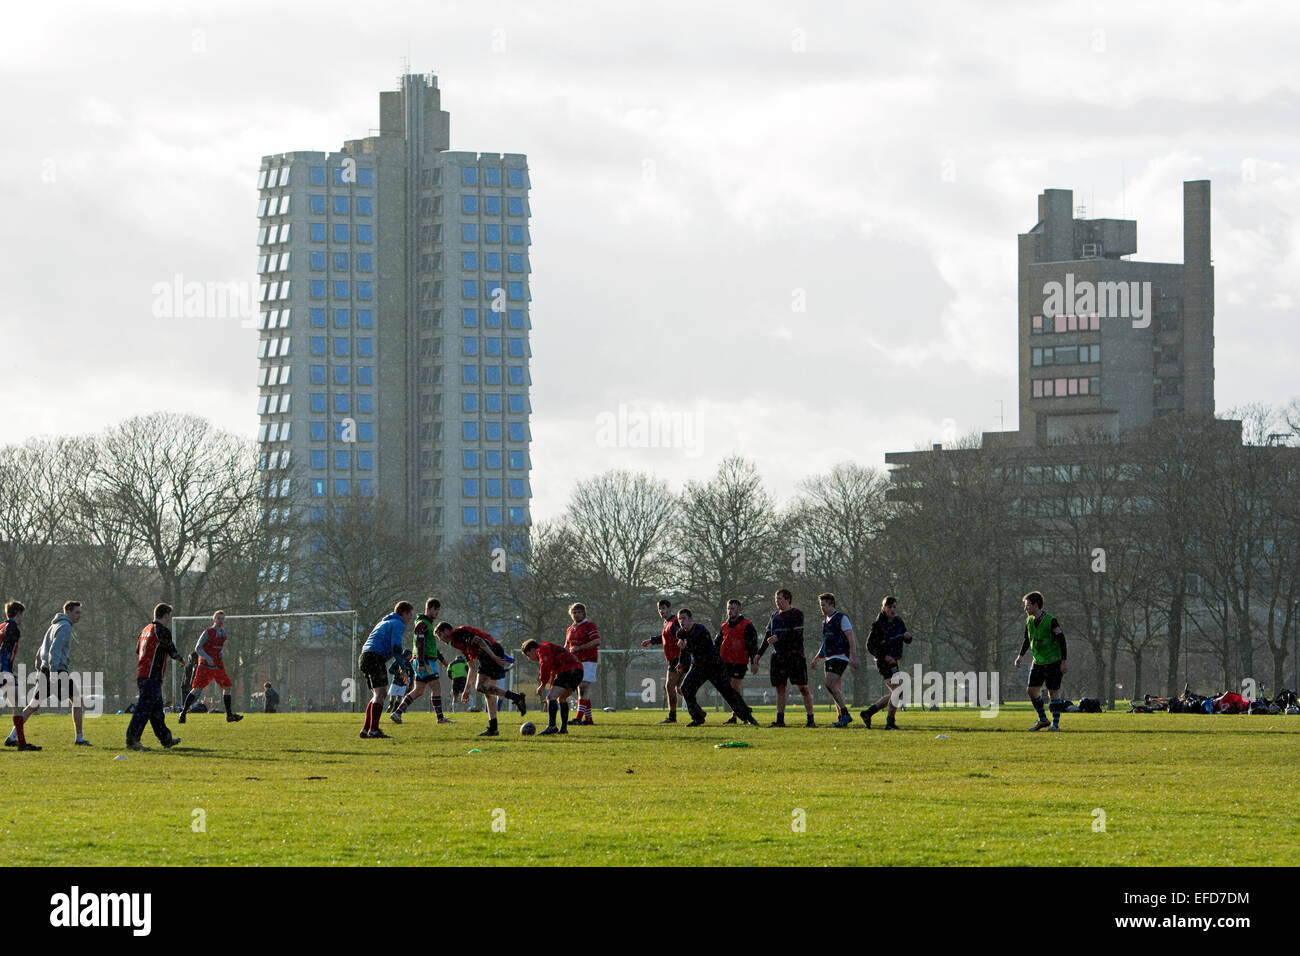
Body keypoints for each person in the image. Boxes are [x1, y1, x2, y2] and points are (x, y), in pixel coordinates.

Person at [434, 621, 527, 737]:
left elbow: (479, 640)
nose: (441, 640)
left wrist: (494, 657)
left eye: (440, 636)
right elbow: (472, 667)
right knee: (487, 691)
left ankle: (516, 697)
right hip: (487, 655)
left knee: (481, 687)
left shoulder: (457, 633)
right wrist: (466, 689)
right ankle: (493, 728)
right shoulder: (456, 643)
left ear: (446, 630)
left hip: (491, 651)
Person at [675, 608, 759, 728]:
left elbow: (700, 651)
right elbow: (684, 651)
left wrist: (686, 648)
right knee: (685, 688)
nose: (681, 621)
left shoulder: (701, 630)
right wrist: (682, 663)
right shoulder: (680, 633)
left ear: (691, 619)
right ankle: (698, 717)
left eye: (684, 618)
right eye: (679, 619)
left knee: (727, 692)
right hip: (698, 666)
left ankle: (747, 716)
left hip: (714, 665)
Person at [126, 603, 185, 751]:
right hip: (152, 675)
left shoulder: (146, 629)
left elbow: (137, 650)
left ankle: (166, 739)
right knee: (144, 709)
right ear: (165, 615)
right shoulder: (161, 630)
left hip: (142, 673)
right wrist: (180, 659)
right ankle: (132, 739)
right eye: (168, 617)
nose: (169, 620)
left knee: (156, 711)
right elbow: (170, 648)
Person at [754, 589, 815, 727]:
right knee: (780, 688)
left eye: (780, 598)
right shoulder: (774, 616)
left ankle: (810, 719)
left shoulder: (796, 614)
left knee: (803, 688)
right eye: (776, 598)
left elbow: (797, 634)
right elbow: (768, 636)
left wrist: (779, 637)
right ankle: (780, 720)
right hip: (779, 657)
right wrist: (759, 654)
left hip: (795, 656)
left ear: (788, 599)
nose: (777, 601)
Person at [1014, 591, 1069, 731]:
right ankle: (1043, 720)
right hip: (1037, 662)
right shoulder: (1029, 621)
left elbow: (1062, 640)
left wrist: (1063, 661)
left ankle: (1055, 725)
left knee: (1053, 693)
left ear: (1035, 605)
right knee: (1031, 691)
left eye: (1027, 605)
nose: (1025, 609)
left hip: (1053, 662)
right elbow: (1027, 640)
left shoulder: (1051, 620)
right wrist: (1020, 656)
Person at [391, 598, 453, 724]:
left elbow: (430, 646)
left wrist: (441, 659)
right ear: (428, 609)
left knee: (418, 690)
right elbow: (420, 643)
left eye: (438, 610)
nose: (437, 613)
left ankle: (397, 713)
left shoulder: (427, 624)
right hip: (425, 661)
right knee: (436, 687)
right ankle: (440, 718)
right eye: (435, 610)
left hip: (423, 660)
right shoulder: (423, 624)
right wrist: (420, 663)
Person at [358, 602, 413, 739]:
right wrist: (403, 667)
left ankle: (366, 729)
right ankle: (374, 730)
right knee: (381, 693)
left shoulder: (384, 622)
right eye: (409, 614)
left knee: (377, 694)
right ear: (402, 613)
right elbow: (396, 646)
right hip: (375, 657)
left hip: (365, 656)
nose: (410, 618)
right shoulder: (397, 623)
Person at [178, 610, 244, 725]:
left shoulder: (223, 633)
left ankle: (229, 715)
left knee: (227, 687)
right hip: (205, 666)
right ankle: (183, 712)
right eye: (218, 618)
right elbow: (198, 648)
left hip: (218, 665)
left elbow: (218, 648)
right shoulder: (208, 632)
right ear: (214, 620)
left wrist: (220, 653)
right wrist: (208, 658)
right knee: (197, 688)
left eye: (222, 619)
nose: (220, 621)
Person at [861, 596, 912, 729]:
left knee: (897, 692)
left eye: (894, 607)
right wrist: (884, 656)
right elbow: (870, 646)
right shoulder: (878, 625)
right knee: (897, 691)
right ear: (884, 608)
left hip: (894, 661)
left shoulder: (899, 621)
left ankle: (869, 713)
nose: (892, 610)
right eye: (889, 607)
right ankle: (889, 722)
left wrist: (908, 636)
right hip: (884, 663)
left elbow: (906, 637)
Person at [811, 593, 859, 728]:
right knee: (835, 688)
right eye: (821, 605)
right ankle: (841, 717)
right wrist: (816, 658)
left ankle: (845, 713)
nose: (822, 608)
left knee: (829, 684)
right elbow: (825, 643)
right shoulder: (824, 622)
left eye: (824, 605)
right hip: (829, 657)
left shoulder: (841, 618)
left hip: (840, 656)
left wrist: (854, 656)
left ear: (831, 604)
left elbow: (850, 638)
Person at [521, 638, 583, 736]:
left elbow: (545, 665)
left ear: (532, 650)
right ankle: (563, 729)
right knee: (561, 698)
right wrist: (550, 697)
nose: (530, 658)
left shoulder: (542, 649)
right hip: (578, 671)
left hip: (568, 670)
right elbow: (554, 675)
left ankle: (552, 727)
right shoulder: (548, 649)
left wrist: (542, 685)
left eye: (528, 655)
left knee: (553, 697)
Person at [1, 600, 39, 751]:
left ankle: (19, 742)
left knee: (18, 705)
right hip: (4, 671)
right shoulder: (13, 628)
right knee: (18, 706)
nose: (23, 618)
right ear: (18, 614)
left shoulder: (2, 626)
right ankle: (21, 744)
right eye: (22, 615)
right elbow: (4, 651)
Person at [641, 598, 685, 723]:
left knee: (670, 686)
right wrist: (651, 640)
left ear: (669, 608)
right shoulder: (667, 623)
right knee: (680, 689)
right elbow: (664, 636)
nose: (661, 611)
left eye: (663, 608)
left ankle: (673, 716)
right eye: (659, 609)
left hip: (677, 659)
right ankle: (695, 709)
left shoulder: (674, 622)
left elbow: (680, 634)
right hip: (673, 659)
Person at [715, 599, 759, 724]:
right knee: (728, 689)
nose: (730, 611)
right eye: (728, 608)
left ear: (739, 610)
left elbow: (752, 645)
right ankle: (737, 714)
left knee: (735, 687)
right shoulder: (724, 626)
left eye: (733, 608)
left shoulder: (747, 625)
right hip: (725, 662)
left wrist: (754, 662)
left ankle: (739, 715)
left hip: (739, 661)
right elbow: (716, 643)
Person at [564, 603, 600, 725]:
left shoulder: (589, 625)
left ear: (583, 613)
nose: (576, 614)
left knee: (584, 687)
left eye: (579, 612)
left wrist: (580, 648)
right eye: (574, 612)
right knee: (580, 689)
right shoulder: (570, 629)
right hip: (575, 662)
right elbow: (567, 646)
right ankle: (588, 719)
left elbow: (596, 641)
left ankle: (578, 718)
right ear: (571, 614)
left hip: (588, 660)